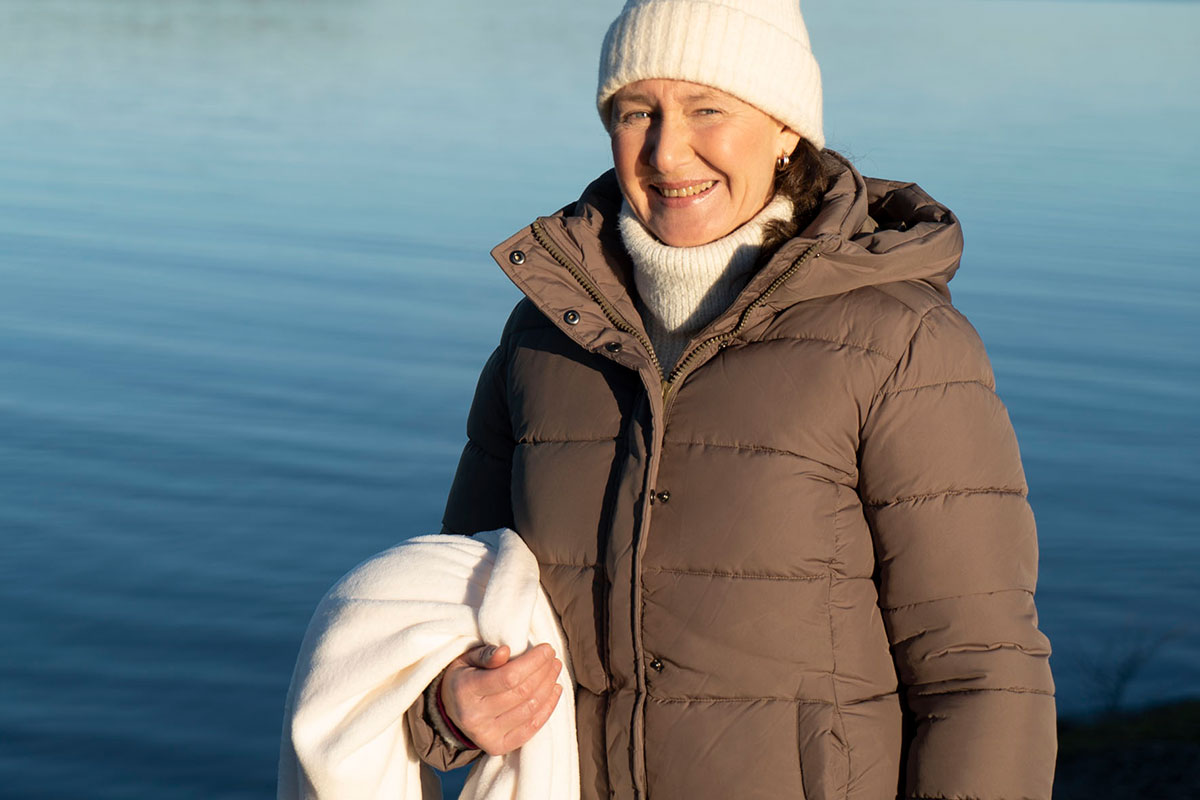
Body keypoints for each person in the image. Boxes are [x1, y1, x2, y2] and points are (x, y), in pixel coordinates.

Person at [406, 1, 1057, 797]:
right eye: (636, 111)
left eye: (708, 108)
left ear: (786, 128)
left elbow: (982, 674)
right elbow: (447, 613)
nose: (667, 151)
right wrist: (448, 714)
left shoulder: (899, 343)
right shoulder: (544, 338)